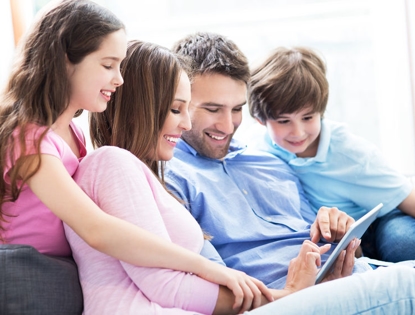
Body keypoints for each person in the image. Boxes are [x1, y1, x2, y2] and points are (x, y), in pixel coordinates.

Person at [65, 39, 415, 315]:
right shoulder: (155, 176)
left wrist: (332, 230)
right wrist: (292, 293)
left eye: (237, 110)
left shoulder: (271, 160)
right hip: (283, 299)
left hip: (339, 279)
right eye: (208, 109)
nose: (227, 124)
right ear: (150, 106)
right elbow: (171, 283)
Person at [0, 0, 271, 309]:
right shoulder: (29, 140)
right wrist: (205, 267)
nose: (119, 78)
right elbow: (96, 229)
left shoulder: (72, 136)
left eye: (120, 65)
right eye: (107, 65)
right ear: (64, 60)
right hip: (34, 279)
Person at [247, 46, 415, 262]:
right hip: (334, 240)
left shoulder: (352, 155)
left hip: (378, 224)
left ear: (321, 112)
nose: (297, 132)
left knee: (403, 243)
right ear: (260, 120)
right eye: (283, 121)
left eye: (308, 118)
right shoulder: (255, 148)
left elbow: (407, 198)